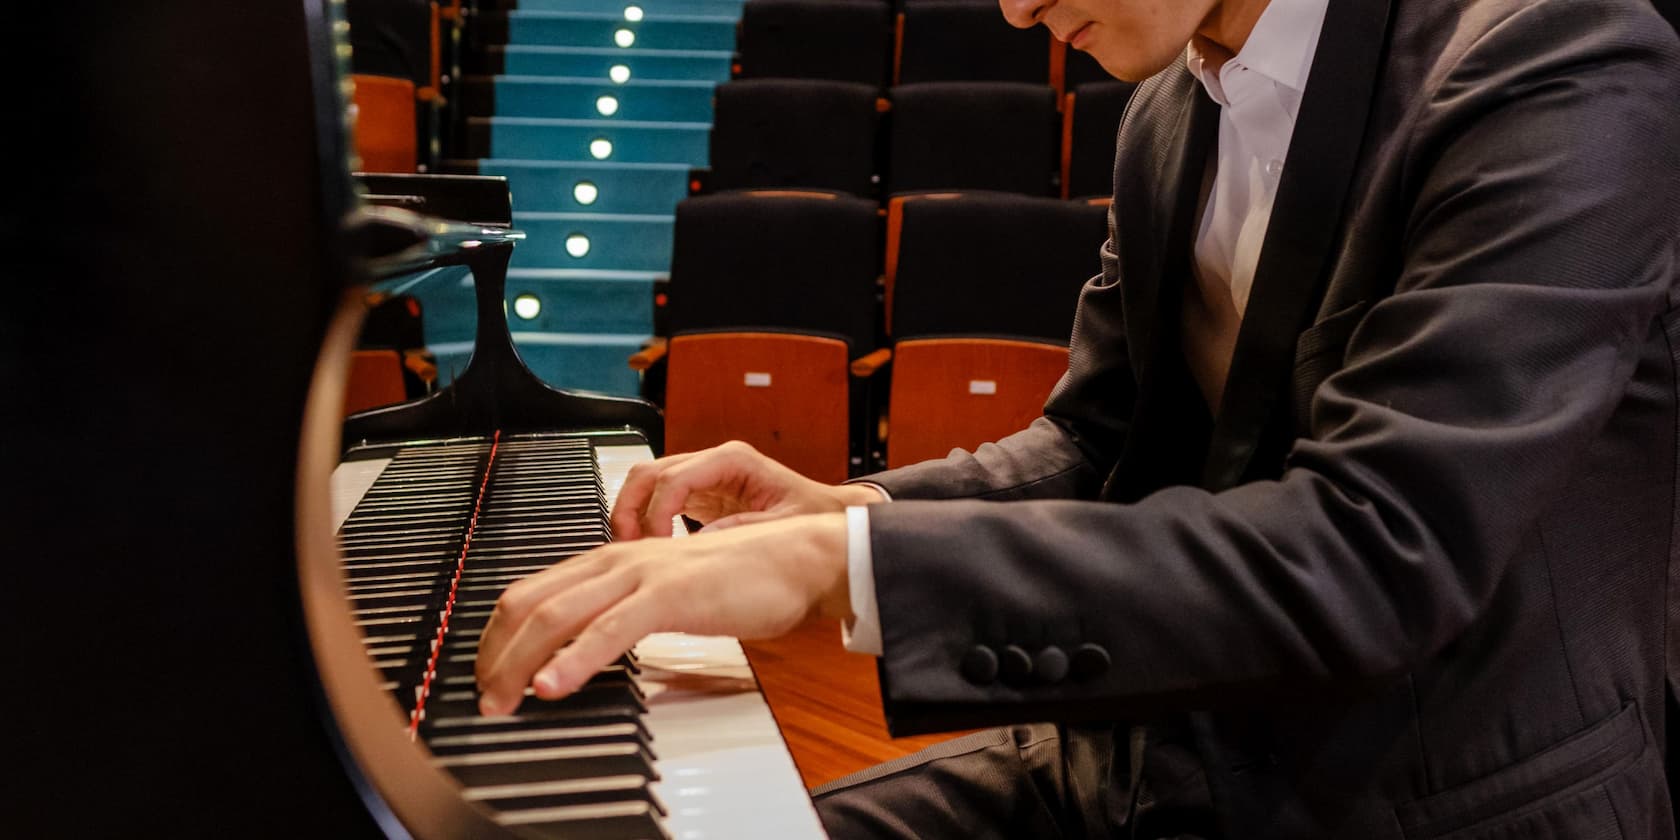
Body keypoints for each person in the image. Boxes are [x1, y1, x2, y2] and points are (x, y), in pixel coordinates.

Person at [474, 0, 1680, 835]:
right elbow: (1099, 443)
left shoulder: (1556, 65)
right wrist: (855, 506)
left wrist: (838, 567)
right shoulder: (1168, 110)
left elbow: (1379, 550)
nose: (1011, 13)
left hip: (1422, 801)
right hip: (1145, 764)